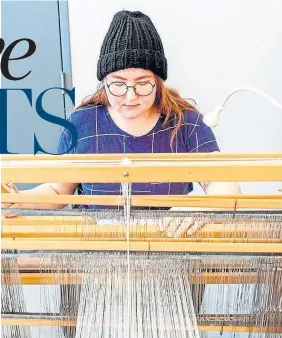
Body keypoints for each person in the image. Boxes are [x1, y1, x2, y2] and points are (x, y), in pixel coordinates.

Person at [2, 10, 241, 337]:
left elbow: (227, 186)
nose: (130, 96)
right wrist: (19, 201)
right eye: (118, 84)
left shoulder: (185, 123)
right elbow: (58, 191)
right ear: (105, 80)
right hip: (93, 268)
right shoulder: (82, 123)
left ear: (158, 79)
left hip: (169, 264)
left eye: (143, 84)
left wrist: (199, 206)